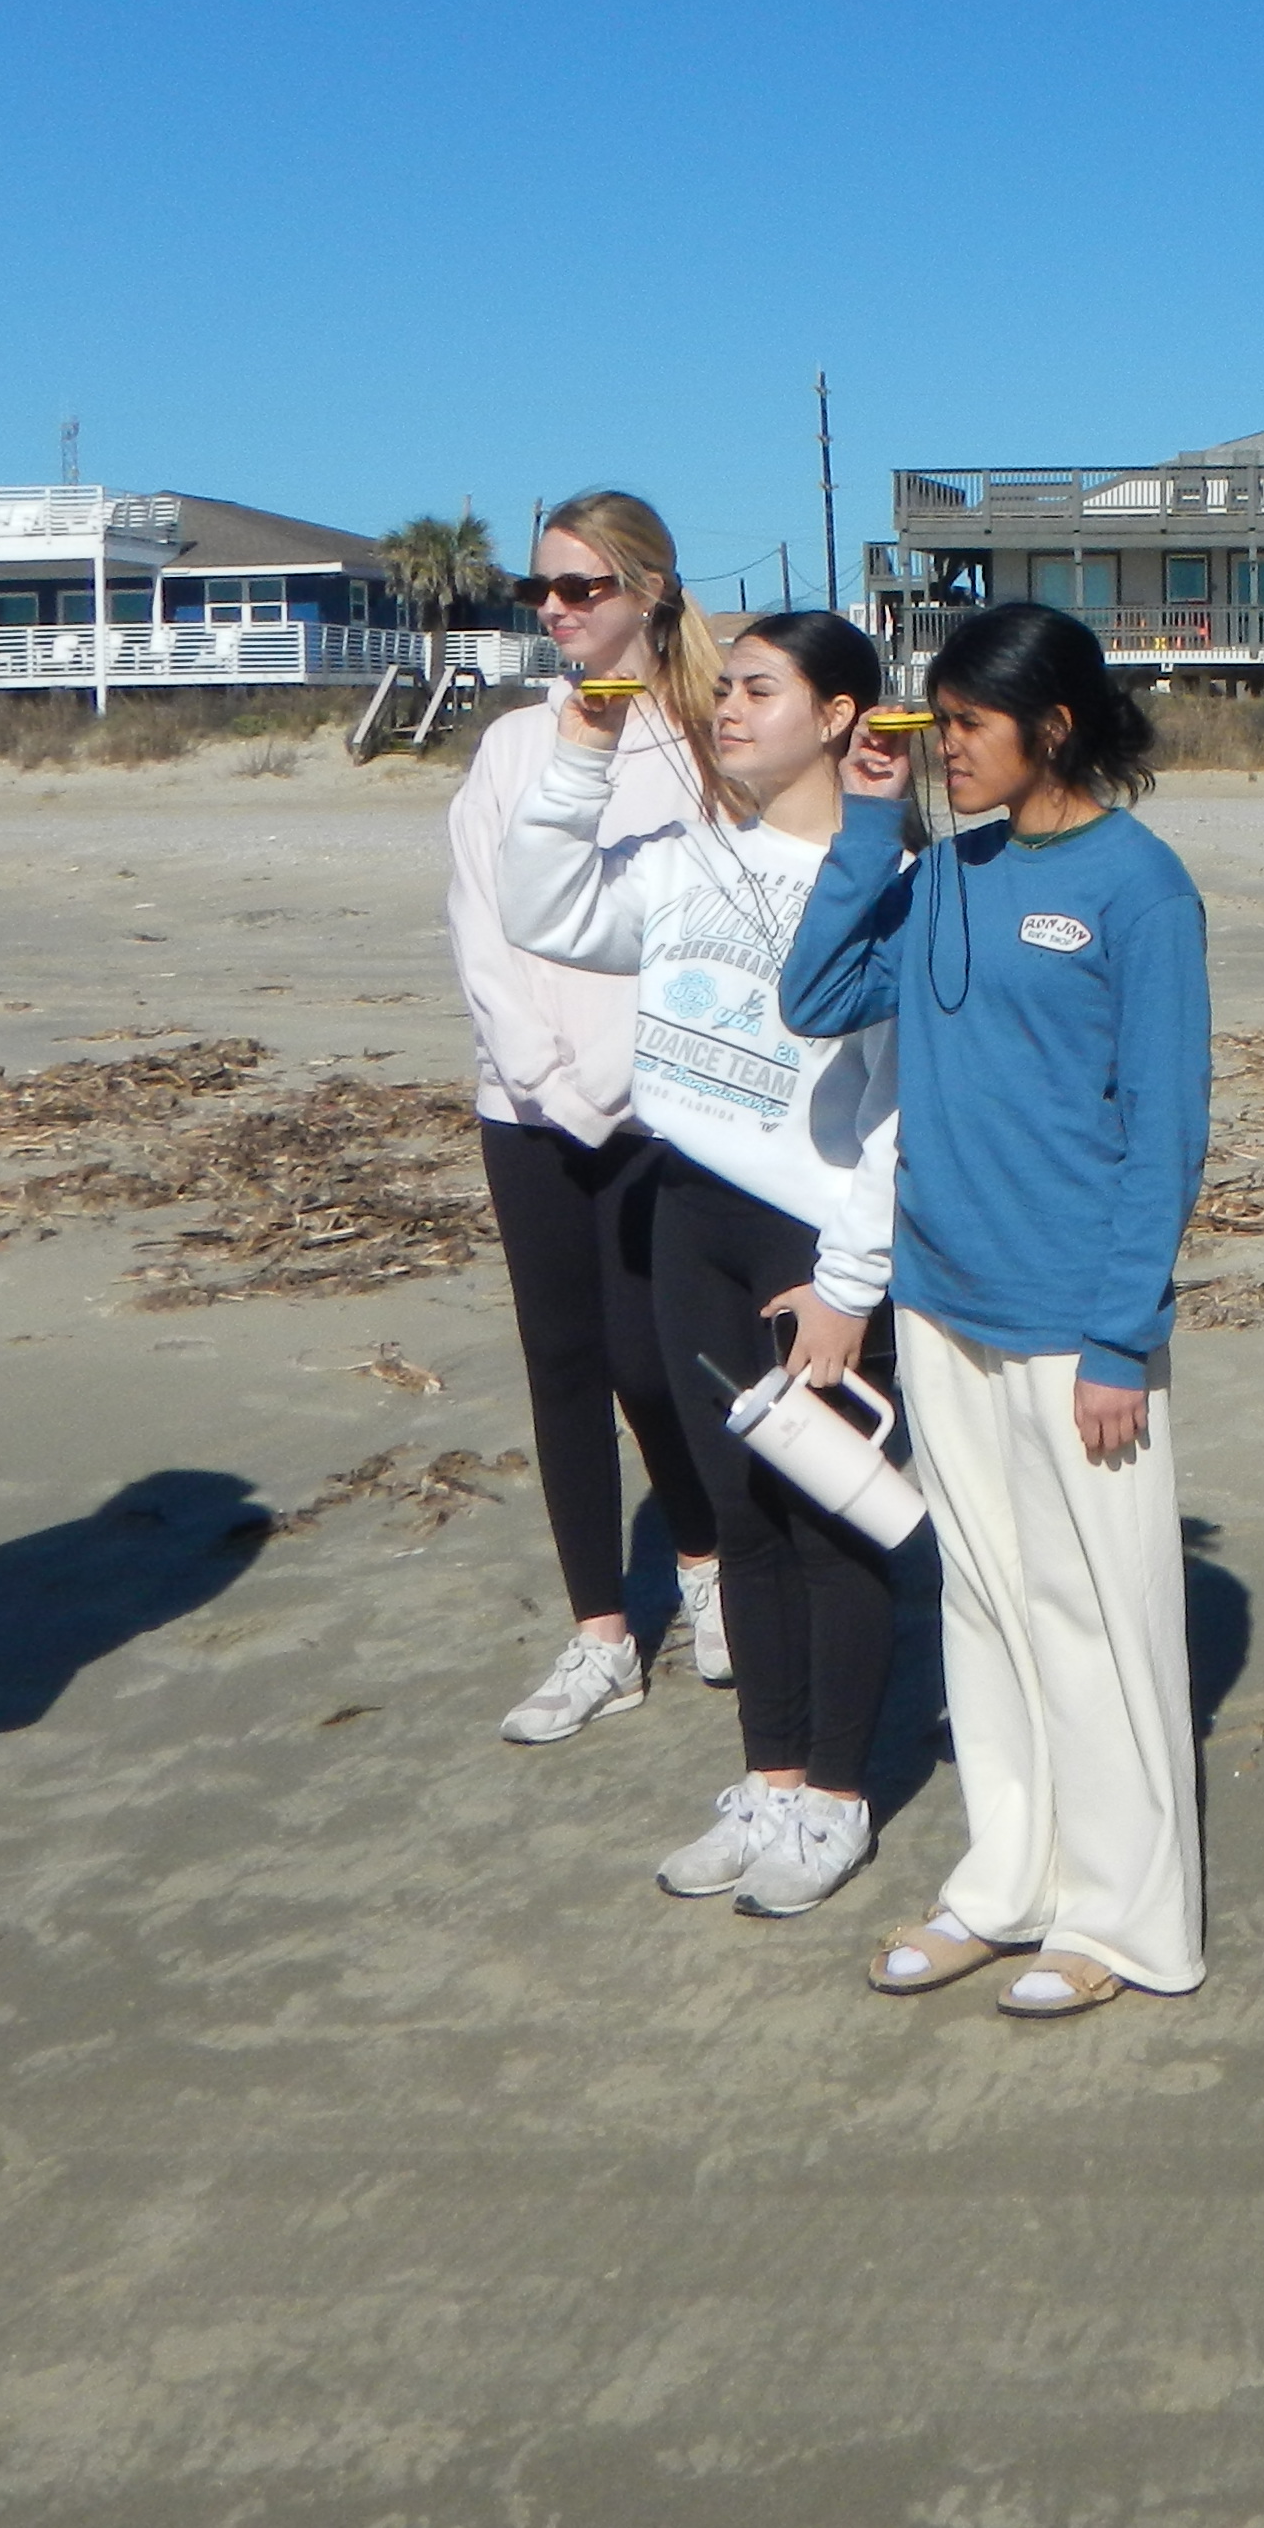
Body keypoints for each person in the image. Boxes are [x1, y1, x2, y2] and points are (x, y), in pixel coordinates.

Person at [780, 604, 1213, 2018]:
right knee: (986, 1606)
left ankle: (1126, 1919)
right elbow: (818, 993)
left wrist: (1115, 1337)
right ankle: (1006, 1881)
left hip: (1077, 1318)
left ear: (1057, 727)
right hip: (947, 1303)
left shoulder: (1137, 889)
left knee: (1106, 1623)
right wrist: (865, 831)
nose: (942, 746)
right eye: (938, 719)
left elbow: (1164, 1130)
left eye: (967, 725)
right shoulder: (945, 868)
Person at [502, 609, 911, 1921]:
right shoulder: (681, 859)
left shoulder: (882, 884)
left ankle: (838, 1798)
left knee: (828, 1514)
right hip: (690, 1213)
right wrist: (578, 751)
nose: (727, 709)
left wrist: (853, 1280)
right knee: (739, 1518)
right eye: (722, 691)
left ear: (843, 715)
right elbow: (543, 906)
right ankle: (771, 1781)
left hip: (812, 1238)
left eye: (761, 690)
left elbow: (901, 1111)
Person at [448, 488, 737, 1745]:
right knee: (561, 1367)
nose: (559, 610)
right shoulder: (514, 745)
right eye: (542, 590)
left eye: (584, 588)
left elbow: (708, 932)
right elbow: (485, 916)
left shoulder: (711, 741)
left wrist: (614, 1085)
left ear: (649, 592)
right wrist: (542, 1074)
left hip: (657, 1107)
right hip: (524, 1105)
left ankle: (708, 1559)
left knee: (651, 1359)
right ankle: (599, 1635)